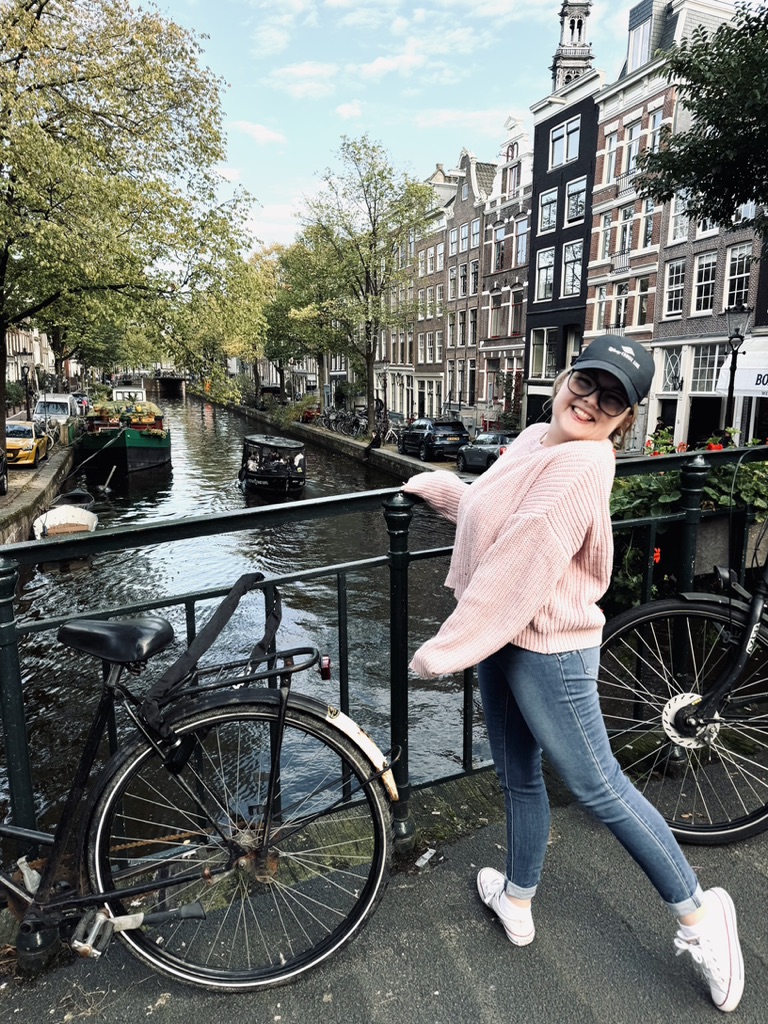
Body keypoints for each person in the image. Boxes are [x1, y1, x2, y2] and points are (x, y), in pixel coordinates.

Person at [402, 335, 744, 1014]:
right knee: (516, 775)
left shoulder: (586, 463)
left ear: (625, 419)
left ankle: (703, 917)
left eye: (611, 399)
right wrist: (443, 491)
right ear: (564, 378)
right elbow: (498, 515)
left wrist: (449, 646)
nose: (590, 402)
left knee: (599, 786)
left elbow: (524, 555)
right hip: (505, 637)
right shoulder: (536, 438)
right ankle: (517, 898)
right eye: (586, 383)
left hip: (550, 648)